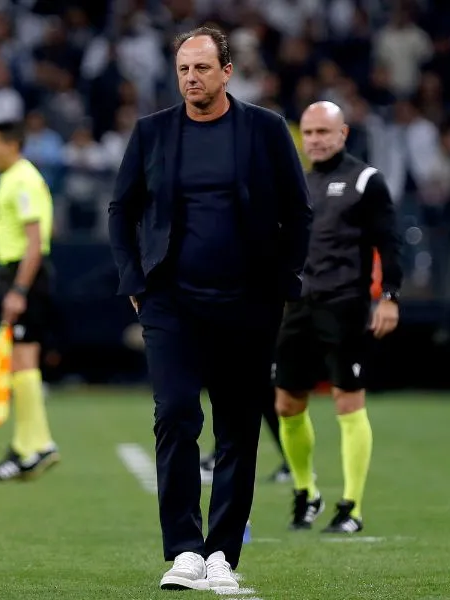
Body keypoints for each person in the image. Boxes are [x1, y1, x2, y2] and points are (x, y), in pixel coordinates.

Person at [107, 26, 311, 590]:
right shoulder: (152, 133)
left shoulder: (266, 130)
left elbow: (298, 211)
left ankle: (221, 551)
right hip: (170, 300)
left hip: (247, 302)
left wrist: (283, 281)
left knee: (238, 428)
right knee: (174, 414)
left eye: (201, 68)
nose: (191, 78)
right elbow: (120, 210)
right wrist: (135, 280)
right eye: (183, 70)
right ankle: (183, 551)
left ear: (226, 71)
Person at [273, 101, 401, 534]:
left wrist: (389, 297)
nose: (315, 140)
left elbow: (390, 243)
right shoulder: (295, 183)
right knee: (286, 403)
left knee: (348, 400)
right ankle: (306, 492)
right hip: (298, 305)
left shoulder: (366, 180)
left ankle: (352, 507)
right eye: (308, 133)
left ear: (343, 134)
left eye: (323, 132)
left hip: (345, 304)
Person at [0, 121, 60, 481]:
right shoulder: (12, 179)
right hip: (14, 272)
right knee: (20, 363)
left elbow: (36, 241)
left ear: (13, 145)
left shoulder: (23, 179)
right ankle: (27, 447)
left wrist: (19, 291)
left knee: (23, 360)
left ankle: (37, 445)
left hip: (25, 279)